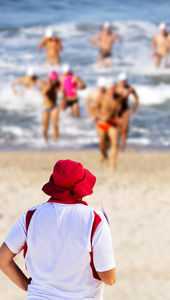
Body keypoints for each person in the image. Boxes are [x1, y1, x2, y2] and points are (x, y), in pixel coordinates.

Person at [0, 159, 116, 299]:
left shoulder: (31, 216)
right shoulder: (94, 220)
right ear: (81, 187)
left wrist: (29, 287)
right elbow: (109, 278)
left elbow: (3, 259)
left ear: (53, 185)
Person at [93, 79, 120, 171]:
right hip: (101, 123)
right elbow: (94, 110)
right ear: (107, 89)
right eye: (110, 89)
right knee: (102, 144)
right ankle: (104, 155)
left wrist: (118, 119)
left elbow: (118, 112)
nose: (112, 91)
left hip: (112, 123)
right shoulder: (102, 97)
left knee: (115, 144)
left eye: (113, 89)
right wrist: (101, 116)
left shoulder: (117, 98)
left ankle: (113, 165)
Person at [115, 73, 139, 151]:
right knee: (117, 130)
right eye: (122, 81)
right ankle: (115, 146)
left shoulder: (130, 88)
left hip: (125, 109)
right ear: (119, 81)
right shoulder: (115, 88)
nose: (123, 83)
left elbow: (136, 98)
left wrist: (134, 108)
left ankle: (122, 148)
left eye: (124, 81)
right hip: (116, 110)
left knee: (125, 129)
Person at [40, 70, 60, 142]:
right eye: (53, 79)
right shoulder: (46, 84)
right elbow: (43, 93)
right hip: (45, 108)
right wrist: (48, 87)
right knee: (46, 127)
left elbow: (63, 91)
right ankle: (45, 140)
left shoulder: (57, 84)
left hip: (54, 107)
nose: (54, 80)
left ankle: (56, 141)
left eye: (55, 78)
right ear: (50, 78)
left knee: (55, 125)